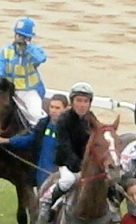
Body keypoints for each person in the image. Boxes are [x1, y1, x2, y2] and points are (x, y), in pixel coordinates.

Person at [40, 82, 98, 215]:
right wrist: (79, 166)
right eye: (78, 100)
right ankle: (48, 199)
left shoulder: (91, 118)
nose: (82, 105)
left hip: (86, 163)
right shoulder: (63, 120)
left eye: (85, 101)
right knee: (68, 181)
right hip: (67, 162)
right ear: (72, 101)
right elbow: (64, 147)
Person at [3, 91, 68, 186]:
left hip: (59, 178)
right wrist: (8, 141)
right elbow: (31, 139)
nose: (53, 110)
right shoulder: (43, 124)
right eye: (52, 107)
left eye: (57, 108)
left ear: (65, 109)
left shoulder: (70, 129)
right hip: (41, 176)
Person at [0, 16, 48, 122]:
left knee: (36, 115)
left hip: (29, 91)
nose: (20, 39)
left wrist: (28, 48)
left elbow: (41, 59)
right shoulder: (5, 51)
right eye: (18, 35)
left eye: (24, 37)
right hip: (8, 90)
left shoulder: (34, 51)